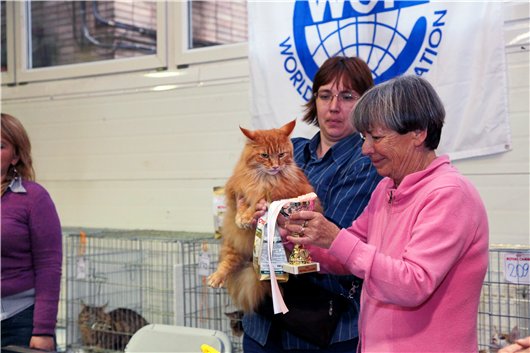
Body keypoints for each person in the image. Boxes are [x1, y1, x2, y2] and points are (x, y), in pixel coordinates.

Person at [285, 75, 489, 352]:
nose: (366, 149)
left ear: (418, 133)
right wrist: (293, 234)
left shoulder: (449, 194)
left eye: (377, 137)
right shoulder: (386, 189)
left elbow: (412, 284)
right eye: (364, 137)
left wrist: (334, 238)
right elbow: (348, 255)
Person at [242, 56, 382, 352]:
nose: (333, 107)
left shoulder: (367, 164)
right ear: (314, 100)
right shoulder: (294, 152)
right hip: (263, 324)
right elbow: (250, 197)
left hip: (323, 328)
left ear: (365, 104)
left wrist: (275, 223)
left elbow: (338, 242)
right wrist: (254, 216)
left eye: (347, 97)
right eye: (325, 95)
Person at [1, 113, 62, 351]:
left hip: (20, 322)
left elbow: (49, 266)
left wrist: (43, 330)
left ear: (15, 156)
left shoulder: (34, 198)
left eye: (0, 145)